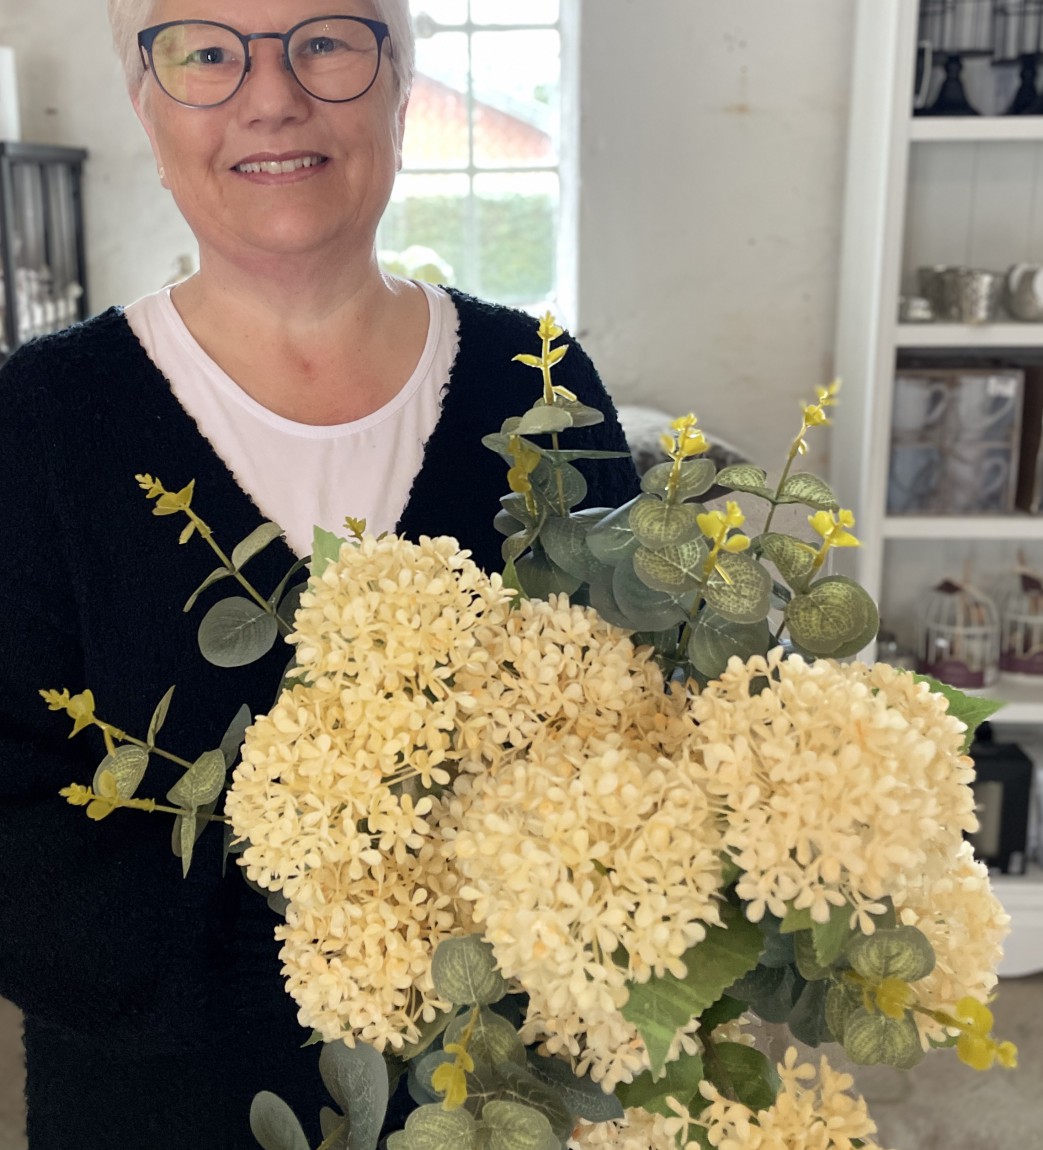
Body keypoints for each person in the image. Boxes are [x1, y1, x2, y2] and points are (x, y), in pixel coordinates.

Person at [0, 2, 639, 1147]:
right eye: (206, 52)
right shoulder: (39, 422)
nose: (271, 93)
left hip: (496, 1110)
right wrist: (345, 947)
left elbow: (634, 736)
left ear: (399, 78)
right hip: (154, 1112)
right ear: (144, 102)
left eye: (326, 39)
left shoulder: (535, 383)